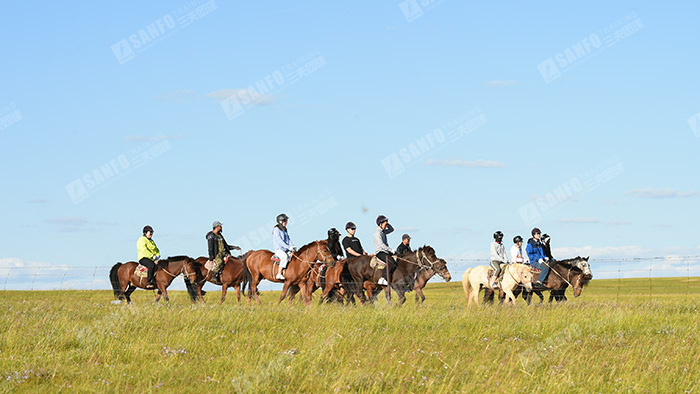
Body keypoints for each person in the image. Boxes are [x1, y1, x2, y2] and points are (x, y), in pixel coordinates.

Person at [373, 215, 395, 286]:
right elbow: (381, 245)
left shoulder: (383, 231)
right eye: (385, 224)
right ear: (380, 224)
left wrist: (386, 223)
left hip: (386, 251)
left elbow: (392, 229)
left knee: (396, 261)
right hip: (380, 252)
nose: (386, 226)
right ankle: (382, 278)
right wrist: (390, 250)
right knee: (391, 262)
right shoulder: (377, 233)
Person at [273, 213, 296, 280]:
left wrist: (292, 246)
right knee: (284, 257)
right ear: (280, 221)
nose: (286, 222)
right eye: (285, 221)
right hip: (279, 249)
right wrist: (288, 247)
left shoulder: (284, 229)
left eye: (286, 221)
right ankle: (279, 274)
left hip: (286, 249)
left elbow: (288, 239)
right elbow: (279, 240)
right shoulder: (276, 229)